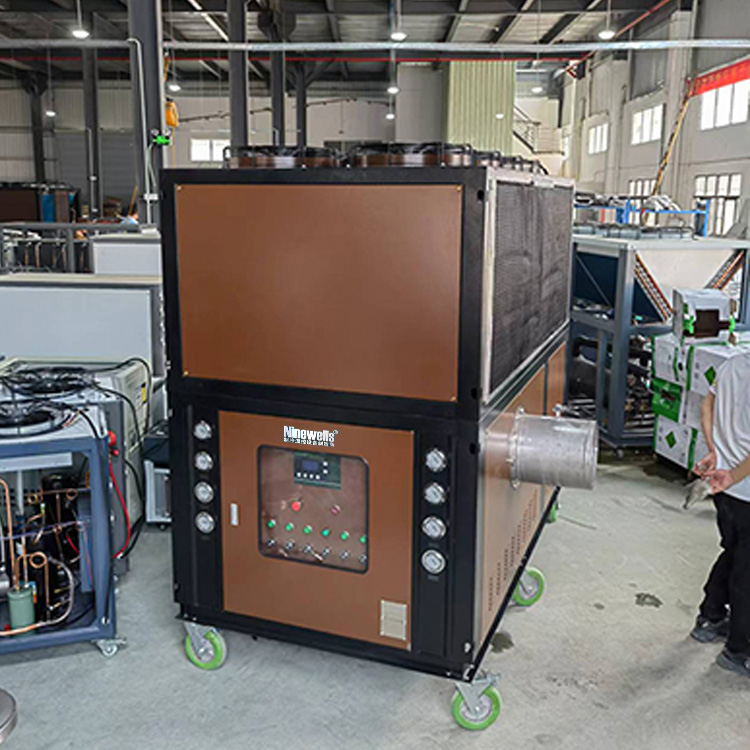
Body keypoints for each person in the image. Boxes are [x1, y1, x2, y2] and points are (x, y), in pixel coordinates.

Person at [691, 350, 750, 678]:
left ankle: (711, 617)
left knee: (734, 551)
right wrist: (735, 475)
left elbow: (706, 405)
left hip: (723, 489)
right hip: (743, 488)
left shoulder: (733, 364)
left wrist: (714, 449)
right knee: (746, 571)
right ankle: (739, 650)